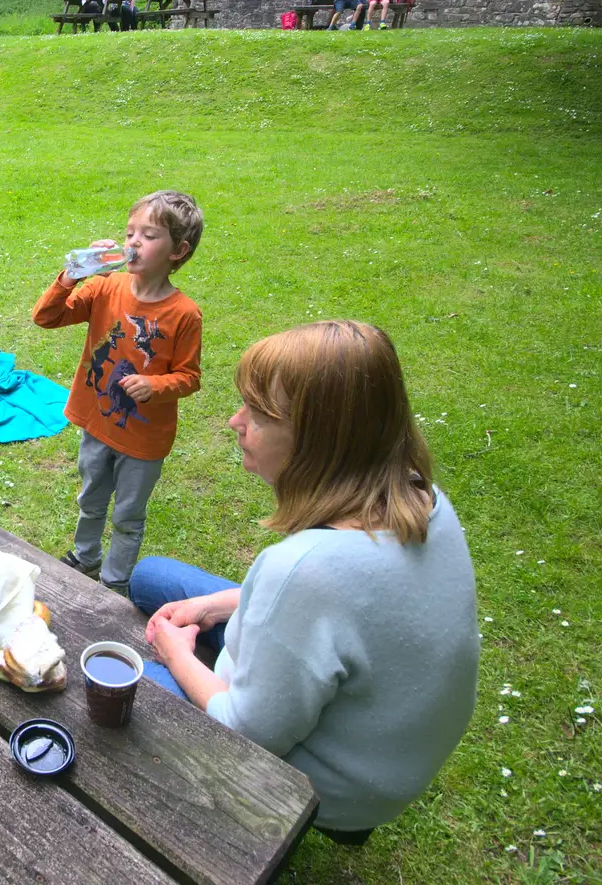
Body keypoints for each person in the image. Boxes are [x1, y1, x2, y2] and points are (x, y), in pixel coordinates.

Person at [131, 320, 480, 839]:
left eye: (259, 414)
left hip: (334, 786)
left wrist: (175, 653)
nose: (234, 422)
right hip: (385, 742)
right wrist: (215, 608)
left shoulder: (304, 571)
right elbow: (349, 608)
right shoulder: (424, 499)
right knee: (149, 576)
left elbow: (246, 732)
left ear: (320, 440)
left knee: (125, 677)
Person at [32, 191, 204, 594]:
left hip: (143, 439)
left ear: (178, 251)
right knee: (90, 498)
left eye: (149, 235)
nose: (133, 243)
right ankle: (86, 555)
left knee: (127, 514)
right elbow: (46, 317)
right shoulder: (105, 289)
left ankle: (115, 579)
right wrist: (75, 272)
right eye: (130, 233)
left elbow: (190, 376)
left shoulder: (184, 314)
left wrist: (155, 384)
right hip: (98, 421)